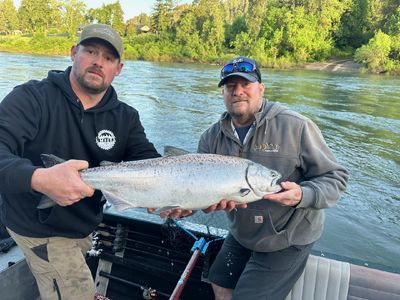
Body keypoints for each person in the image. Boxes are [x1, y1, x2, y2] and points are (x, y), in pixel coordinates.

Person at [162, 56, 349, 300]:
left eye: (245, 85)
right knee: (218, 282)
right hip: (243, 234)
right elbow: (201, 191)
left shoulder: (296, 126)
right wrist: (187, 207)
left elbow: (335, 177)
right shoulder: (210, 138)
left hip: (287, 237)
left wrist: (303, 195)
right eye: (230, 87)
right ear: (223, 93)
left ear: (261, 89)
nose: (238, 92)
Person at [0, 23, 160, 299]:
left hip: (83, 228)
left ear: (118, 69)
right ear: (74, 53)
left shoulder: (126, 117)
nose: (98, 62)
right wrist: (39, 179)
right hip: (36, 227)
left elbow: (150, 164)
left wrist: (180, 195)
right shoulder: (31, 98)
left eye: (108, 58)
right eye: (91, 52)